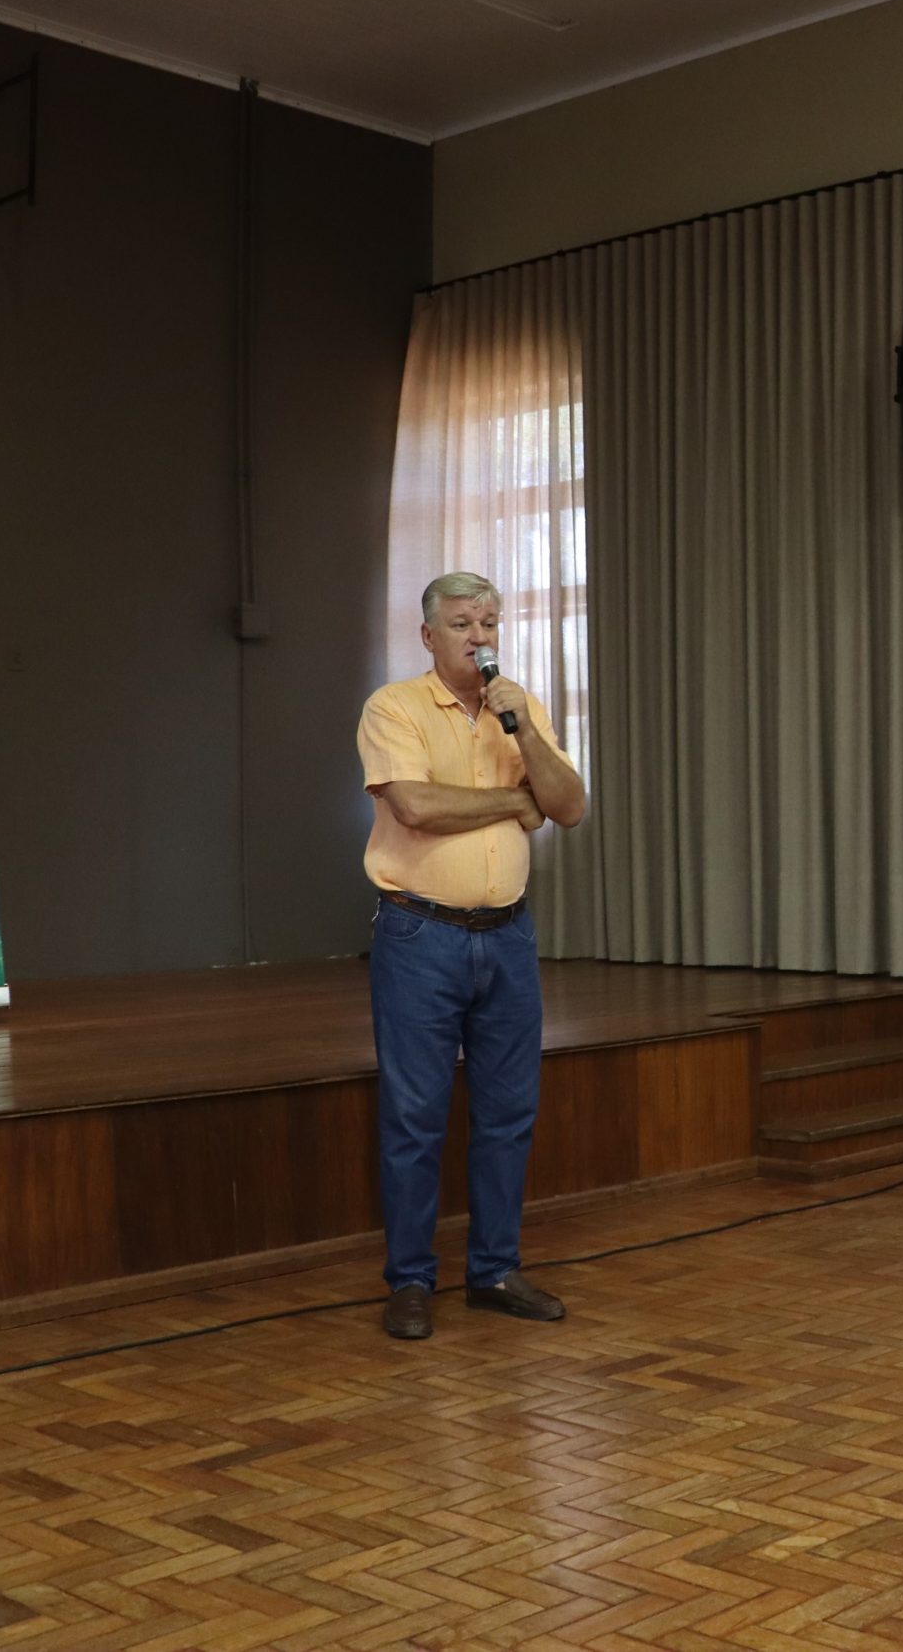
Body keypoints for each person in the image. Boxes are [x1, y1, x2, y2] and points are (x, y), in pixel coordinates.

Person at [358, 571, 587, 1341]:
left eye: (488, 622)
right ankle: (410, 1279)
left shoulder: (519, 707)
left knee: (508, 1113)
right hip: (420, 936)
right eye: (462, 623)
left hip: (508, 937)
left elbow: (569, 806)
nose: (479, 636)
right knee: (415, 1116)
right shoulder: (394, 707)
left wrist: (524, 735)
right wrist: (516, 803)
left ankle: (494, 1269)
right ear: (429, 635)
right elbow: (415, 805)